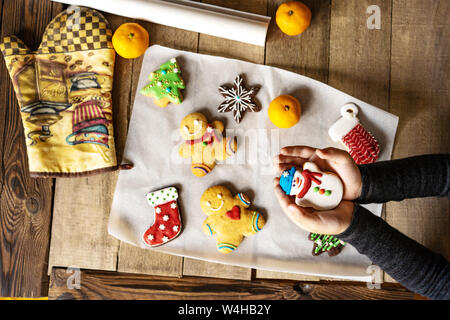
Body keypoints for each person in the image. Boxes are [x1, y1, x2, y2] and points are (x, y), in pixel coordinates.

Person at [273, 146, 450, 300]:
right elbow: (446, 177)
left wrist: (355, 228)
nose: (296, 181)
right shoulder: (303, 197)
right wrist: (366, 184)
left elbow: (438, 284)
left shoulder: (309, 174)